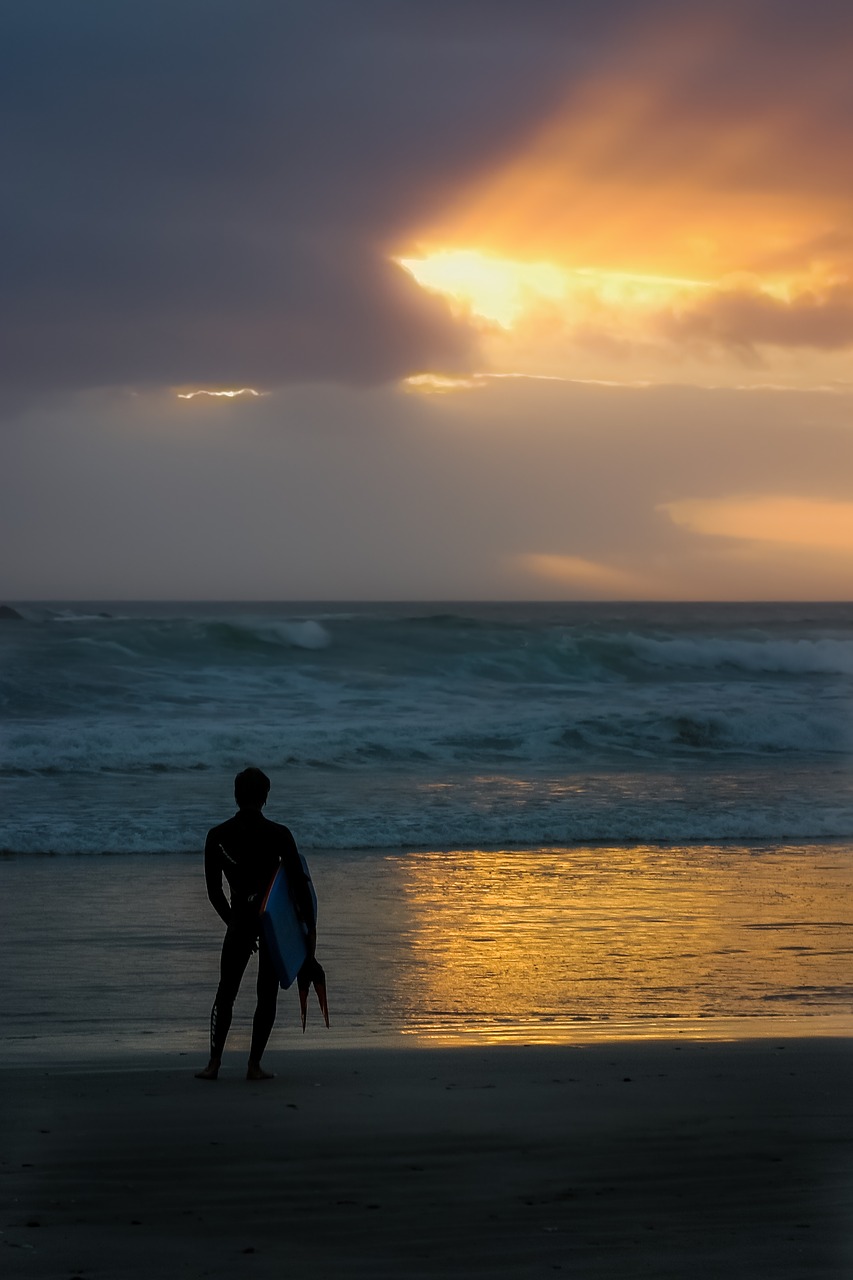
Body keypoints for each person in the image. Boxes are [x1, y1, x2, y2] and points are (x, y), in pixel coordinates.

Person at [195, 768, 316, 1081]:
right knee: (267, 994)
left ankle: (213, 1064)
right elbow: (300, 891)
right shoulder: (279, 834)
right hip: (272, 923)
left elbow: (214, 892)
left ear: (236, 796)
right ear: (265, 797)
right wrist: (307, 937)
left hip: (240, 921)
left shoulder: (217, 836)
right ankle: (253, 1065)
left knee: (226, 992)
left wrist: (233, 923)